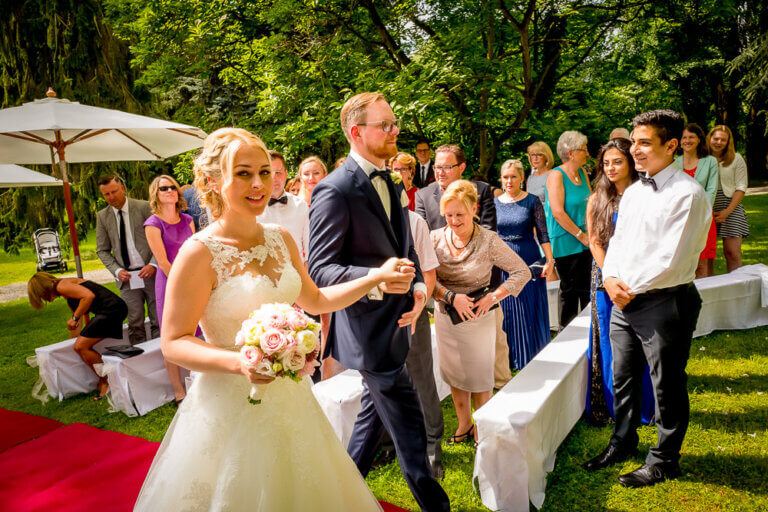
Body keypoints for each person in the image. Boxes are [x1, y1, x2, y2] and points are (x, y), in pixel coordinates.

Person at [134, 127, 414, 511]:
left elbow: (315, 300)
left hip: (291, 398)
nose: (258, 184)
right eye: (244, 173)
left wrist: (374, 278)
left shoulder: (280, 238)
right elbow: (175, 340)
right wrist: (243, 361)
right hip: (229, 407)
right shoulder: (198, 253)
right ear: (213, 182)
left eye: (265, 172)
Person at [308, 93, 450, 511]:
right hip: (369, 335)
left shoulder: (391, 180)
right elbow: (320, 271)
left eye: (395, 123)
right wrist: (375, 279)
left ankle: (340, 494)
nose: (395, 131)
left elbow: (401, 248)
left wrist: (418, 291)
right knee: (411, 432)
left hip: (400, 324)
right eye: (385, 125)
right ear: (356, 132)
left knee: (369, 424)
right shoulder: (334, 190)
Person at [584, 110, 711, 488]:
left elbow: (672, 259)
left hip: (664, 300)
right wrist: (610, 279)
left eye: (643, 143)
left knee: (665, 383)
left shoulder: (688, 194)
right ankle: (622, 441)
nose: (634, 150)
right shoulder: (636, 190)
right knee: (622, 377)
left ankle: (664, 460)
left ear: (670, 145)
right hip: (623, 297)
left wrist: (625, 288)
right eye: (634, 142)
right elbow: (618, 243)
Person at [431, 180, 530, 444]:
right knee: (455, 375)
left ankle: (482, 430)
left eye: (459, 215)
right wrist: (450, 297)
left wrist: (493, 297)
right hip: (446, 317)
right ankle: (464, 425)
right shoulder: (435, 239)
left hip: (478, 319)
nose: (453, 220)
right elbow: (428, 279)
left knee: (479, 378)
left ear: (474, 209)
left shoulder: (489, 240)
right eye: (449, 215)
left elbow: (522, 271)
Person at [414, 144, 511, 389]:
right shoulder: (424, 196)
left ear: (462, 167)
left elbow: (488, 231)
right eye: (437, 167)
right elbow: (422, 241)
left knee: (494, 350)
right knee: (457, 357)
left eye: (447, 167)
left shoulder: (481, 190)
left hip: (483, 288)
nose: (440, 172)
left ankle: (500, 395)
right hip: (445, 291)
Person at [584, 138, 654, 426]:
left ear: (630, 163)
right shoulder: (596, 199)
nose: (611, 167)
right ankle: (615, 407)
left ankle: (647, 405)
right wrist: (611, 274)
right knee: (610, 341)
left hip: (641, 277)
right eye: (606, 162)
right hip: (605, 279)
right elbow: (594, 241)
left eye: (618, 161)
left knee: (644, 342)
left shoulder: (647, 195)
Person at [28, 272, 127, 400]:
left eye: (40, 295)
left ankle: (107, 381)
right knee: (79, 346)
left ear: (43, 289)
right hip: (111, 310)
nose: (43, 299)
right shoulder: (65, 288)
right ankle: (106, 380)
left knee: (81, 347)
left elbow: (88, 296)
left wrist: (74, 319)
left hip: (111, 310)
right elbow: (77, 321)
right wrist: (70, 342)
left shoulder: (61, 286)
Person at [495, 159, 554, 369]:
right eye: (505, 177)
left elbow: (544, 234)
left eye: (513, 176)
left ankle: (529, 354)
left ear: (522, 177)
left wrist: (549, 260)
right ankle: (508, 359)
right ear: (501, 179)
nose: (509, 181)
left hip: (527, 258)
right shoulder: (494, 203)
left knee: (526, 307)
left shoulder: (532, 201)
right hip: (501, 261)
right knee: (507, 308)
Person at [144, 174, 196, 405]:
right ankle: (178, 391)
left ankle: (200, 381)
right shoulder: (153, 223)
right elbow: (162, 262)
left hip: (193, 279)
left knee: (197, 330)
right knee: (172, 336)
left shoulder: (187, 220)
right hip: (170, 282)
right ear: (156, 193)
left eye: (173, 187)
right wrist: (182, 282)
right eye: (164, 188)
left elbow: (195, 253)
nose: (170, 191)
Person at [95, 174, 159, 345]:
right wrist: (116, 270)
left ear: (122, 188)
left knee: (158, 319)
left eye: (114, 192)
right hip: (128, 279)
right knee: (135, 322)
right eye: (106, 194)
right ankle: (139, 360)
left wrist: (153, 264)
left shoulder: (144, 207)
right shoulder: (102, 216)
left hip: (152, 274)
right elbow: (102, 250)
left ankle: (162, 357)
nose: (111, 197)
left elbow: (161, 239)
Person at [544, 131, 592, 328]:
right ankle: (567, 332)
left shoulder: (582, 173)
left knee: (586, 289)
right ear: (571, 153)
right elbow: (557, 212)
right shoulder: (556, 175)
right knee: (570, 290)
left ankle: (589, 330)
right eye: (584, 150)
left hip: (586, 238)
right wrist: (582, 236)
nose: (588, 154)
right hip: (566, 239)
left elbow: (590, 202)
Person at [676, 123, 719, 278]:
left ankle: (705, 300)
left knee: (702, 264)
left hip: (703, 218)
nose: (687, 140)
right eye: (684, 137)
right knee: (684, 264)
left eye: (691, 137)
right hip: (680, 219)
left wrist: (700, 213)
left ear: (699, 139)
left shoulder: (710, 161)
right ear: (679, 141)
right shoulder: (674, 162)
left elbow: (711, 189)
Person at [707, 125, 749, 272]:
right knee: (706, 256)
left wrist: (727, 211)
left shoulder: (736, 159)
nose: (718, 142)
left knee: (732, 253)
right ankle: (706, 291)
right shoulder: (702, 159)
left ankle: (737, 289)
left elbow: (741, 187)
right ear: (709, 139)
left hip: (731, 208)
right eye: (716, 138)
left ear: (728, 142)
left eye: (723, 140)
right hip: (707, 209)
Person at [256, 150, 310, 261]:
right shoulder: (252, 208)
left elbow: (309, 247)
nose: (274, 178)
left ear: (285, 174)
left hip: (298, 273)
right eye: (268, 173)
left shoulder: (301, 206)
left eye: (278, 172)